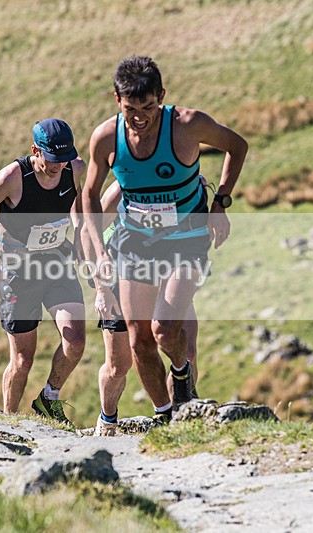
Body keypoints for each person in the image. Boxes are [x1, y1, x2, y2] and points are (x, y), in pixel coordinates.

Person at [82, 56, 247, 425]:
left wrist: (220, 203)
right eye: (130, 109)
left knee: (164, 328)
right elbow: (89, 195)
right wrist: (99, 253)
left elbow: (238, 146)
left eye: (149, 107)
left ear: (162, 96)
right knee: (139, 339)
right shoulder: (107, 137)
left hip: (186, 237)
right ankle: (165, 416)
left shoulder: (188, 125)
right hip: (134, 240)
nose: (140, 117)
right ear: (116, 100)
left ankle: (182, 371)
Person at [0, 118, 86, 427]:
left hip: (56, 263)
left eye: (63, 159)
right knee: (23, 358)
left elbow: (79, 204)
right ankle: (9, 422)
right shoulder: (13, 177)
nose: (57, 166)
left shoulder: (74, 168)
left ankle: (49, 397)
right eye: (51, 159)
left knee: (75, 338)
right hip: (17, 272)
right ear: (35, 151)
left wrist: (80, 233)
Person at [93, 180, 200, 436]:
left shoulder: (188, 181)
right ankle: (107, 420)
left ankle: (176, 416)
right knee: (119, 364)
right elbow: (88, 232)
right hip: (124, 274)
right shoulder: (123, 188)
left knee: (188, 352)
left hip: (167, 271)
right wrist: (102, 289)